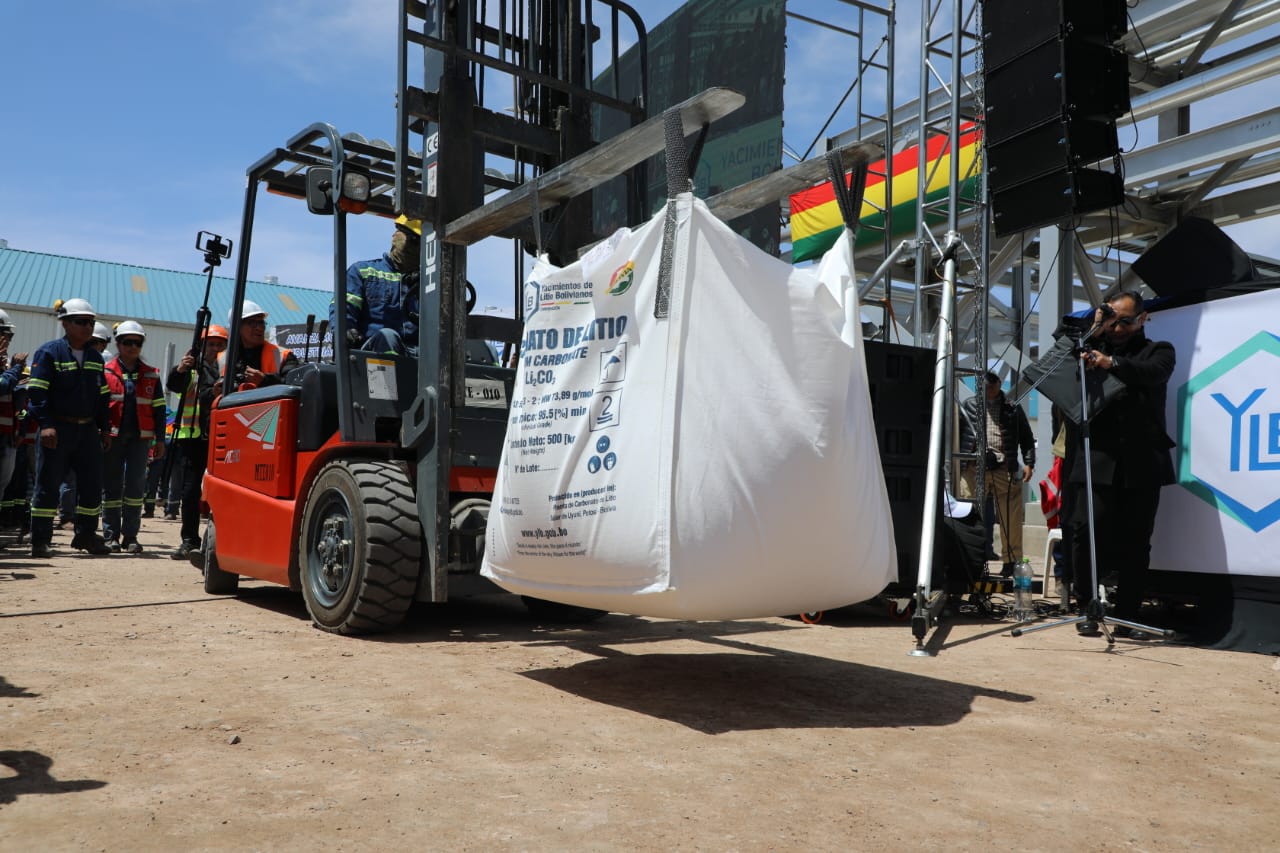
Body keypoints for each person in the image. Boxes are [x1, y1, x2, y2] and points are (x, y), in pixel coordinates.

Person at [1067, 290, 1176, 637]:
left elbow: (1153, 373)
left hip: (1142, 461)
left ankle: (1128, 614)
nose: (1117, 328)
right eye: (1112, 320)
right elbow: (1060, 352)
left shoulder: (1158, 350)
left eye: (1125, 321)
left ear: (1142, 319)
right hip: (1097, 457)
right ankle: (1087, 607)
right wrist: (1094, 326)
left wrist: (1110, 363)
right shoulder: (1089, 346)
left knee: (1136, 540)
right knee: (1086, 532)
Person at [25, 298, 113, 557]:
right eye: (81, 322)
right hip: (57, 429)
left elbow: (102, 397)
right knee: (47, 485)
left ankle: (86, 536)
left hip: (87, 431)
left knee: (91, 486)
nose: (87, 327)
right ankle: (40, 541)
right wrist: (46, 425)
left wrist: (104, 429)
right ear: (65, 323)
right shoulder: (49, 353)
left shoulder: (95, 357)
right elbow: (37, 392)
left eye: (91, 322)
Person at [957, 370, 1036, 576]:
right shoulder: (969, 405)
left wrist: (1029, 463)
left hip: (1003, 466)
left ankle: (1011, 560)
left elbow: (1026, 437)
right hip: (974, 466)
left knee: (1011, 517)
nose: (989, 389)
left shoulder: (1012, 408)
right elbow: (957, 433)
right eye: (986, 385)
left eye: (992, 385)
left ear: (1000, 384)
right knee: (969, 513)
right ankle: (971, 558)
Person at [100, 321, 166, 553]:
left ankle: (130, 536)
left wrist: (160, 439)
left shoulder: (151, 374)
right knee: (112, 486)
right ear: (118, 343)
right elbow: (100, 407)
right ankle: (110, 536)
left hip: (140, 439)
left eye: (137, 343)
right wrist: (102, 432)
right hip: (113, 437)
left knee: (136, 487)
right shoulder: (106, 372)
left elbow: (159, 409)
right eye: (127, 342)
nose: (132, 347)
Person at [167, 324, 227, 559]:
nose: (215, 349)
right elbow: (173, 385)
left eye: (220, 345)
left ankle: (223, 541)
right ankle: (189, 540)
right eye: (210, 344)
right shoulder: (191, 368)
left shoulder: (230, 368)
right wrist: (180, 369)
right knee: (190, 492)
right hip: (192, 438)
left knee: (223, 493)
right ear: (202, 346)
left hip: (223, 437)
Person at [332, 216, 421, 356]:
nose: (415, 248)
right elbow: (343, 311)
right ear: (396, 236)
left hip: (414, 354)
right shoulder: (363, 272)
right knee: (388, 336)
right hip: (371, 354)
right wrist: (346, 330)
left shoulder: (427, 283)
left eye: (420, 243)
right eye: (412, 240)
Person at [219, 301, 298, 388]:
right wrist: (214, 392)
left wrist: (265, 380)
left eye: (261, 323)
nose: (260, 328)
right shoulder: (222, 359)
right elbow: (208, 389)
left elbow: (294, 385)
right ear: (237, 327)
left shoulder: (283, 356)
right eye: (252, 323)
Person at [0, 309, 28, 517]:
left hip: (6, 433)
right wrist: (16, 369)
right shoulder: (10, 367)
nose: (8, 340)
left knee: (3, 483)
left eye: (10, 335)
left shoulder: (5, 363)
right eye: (5, 334)